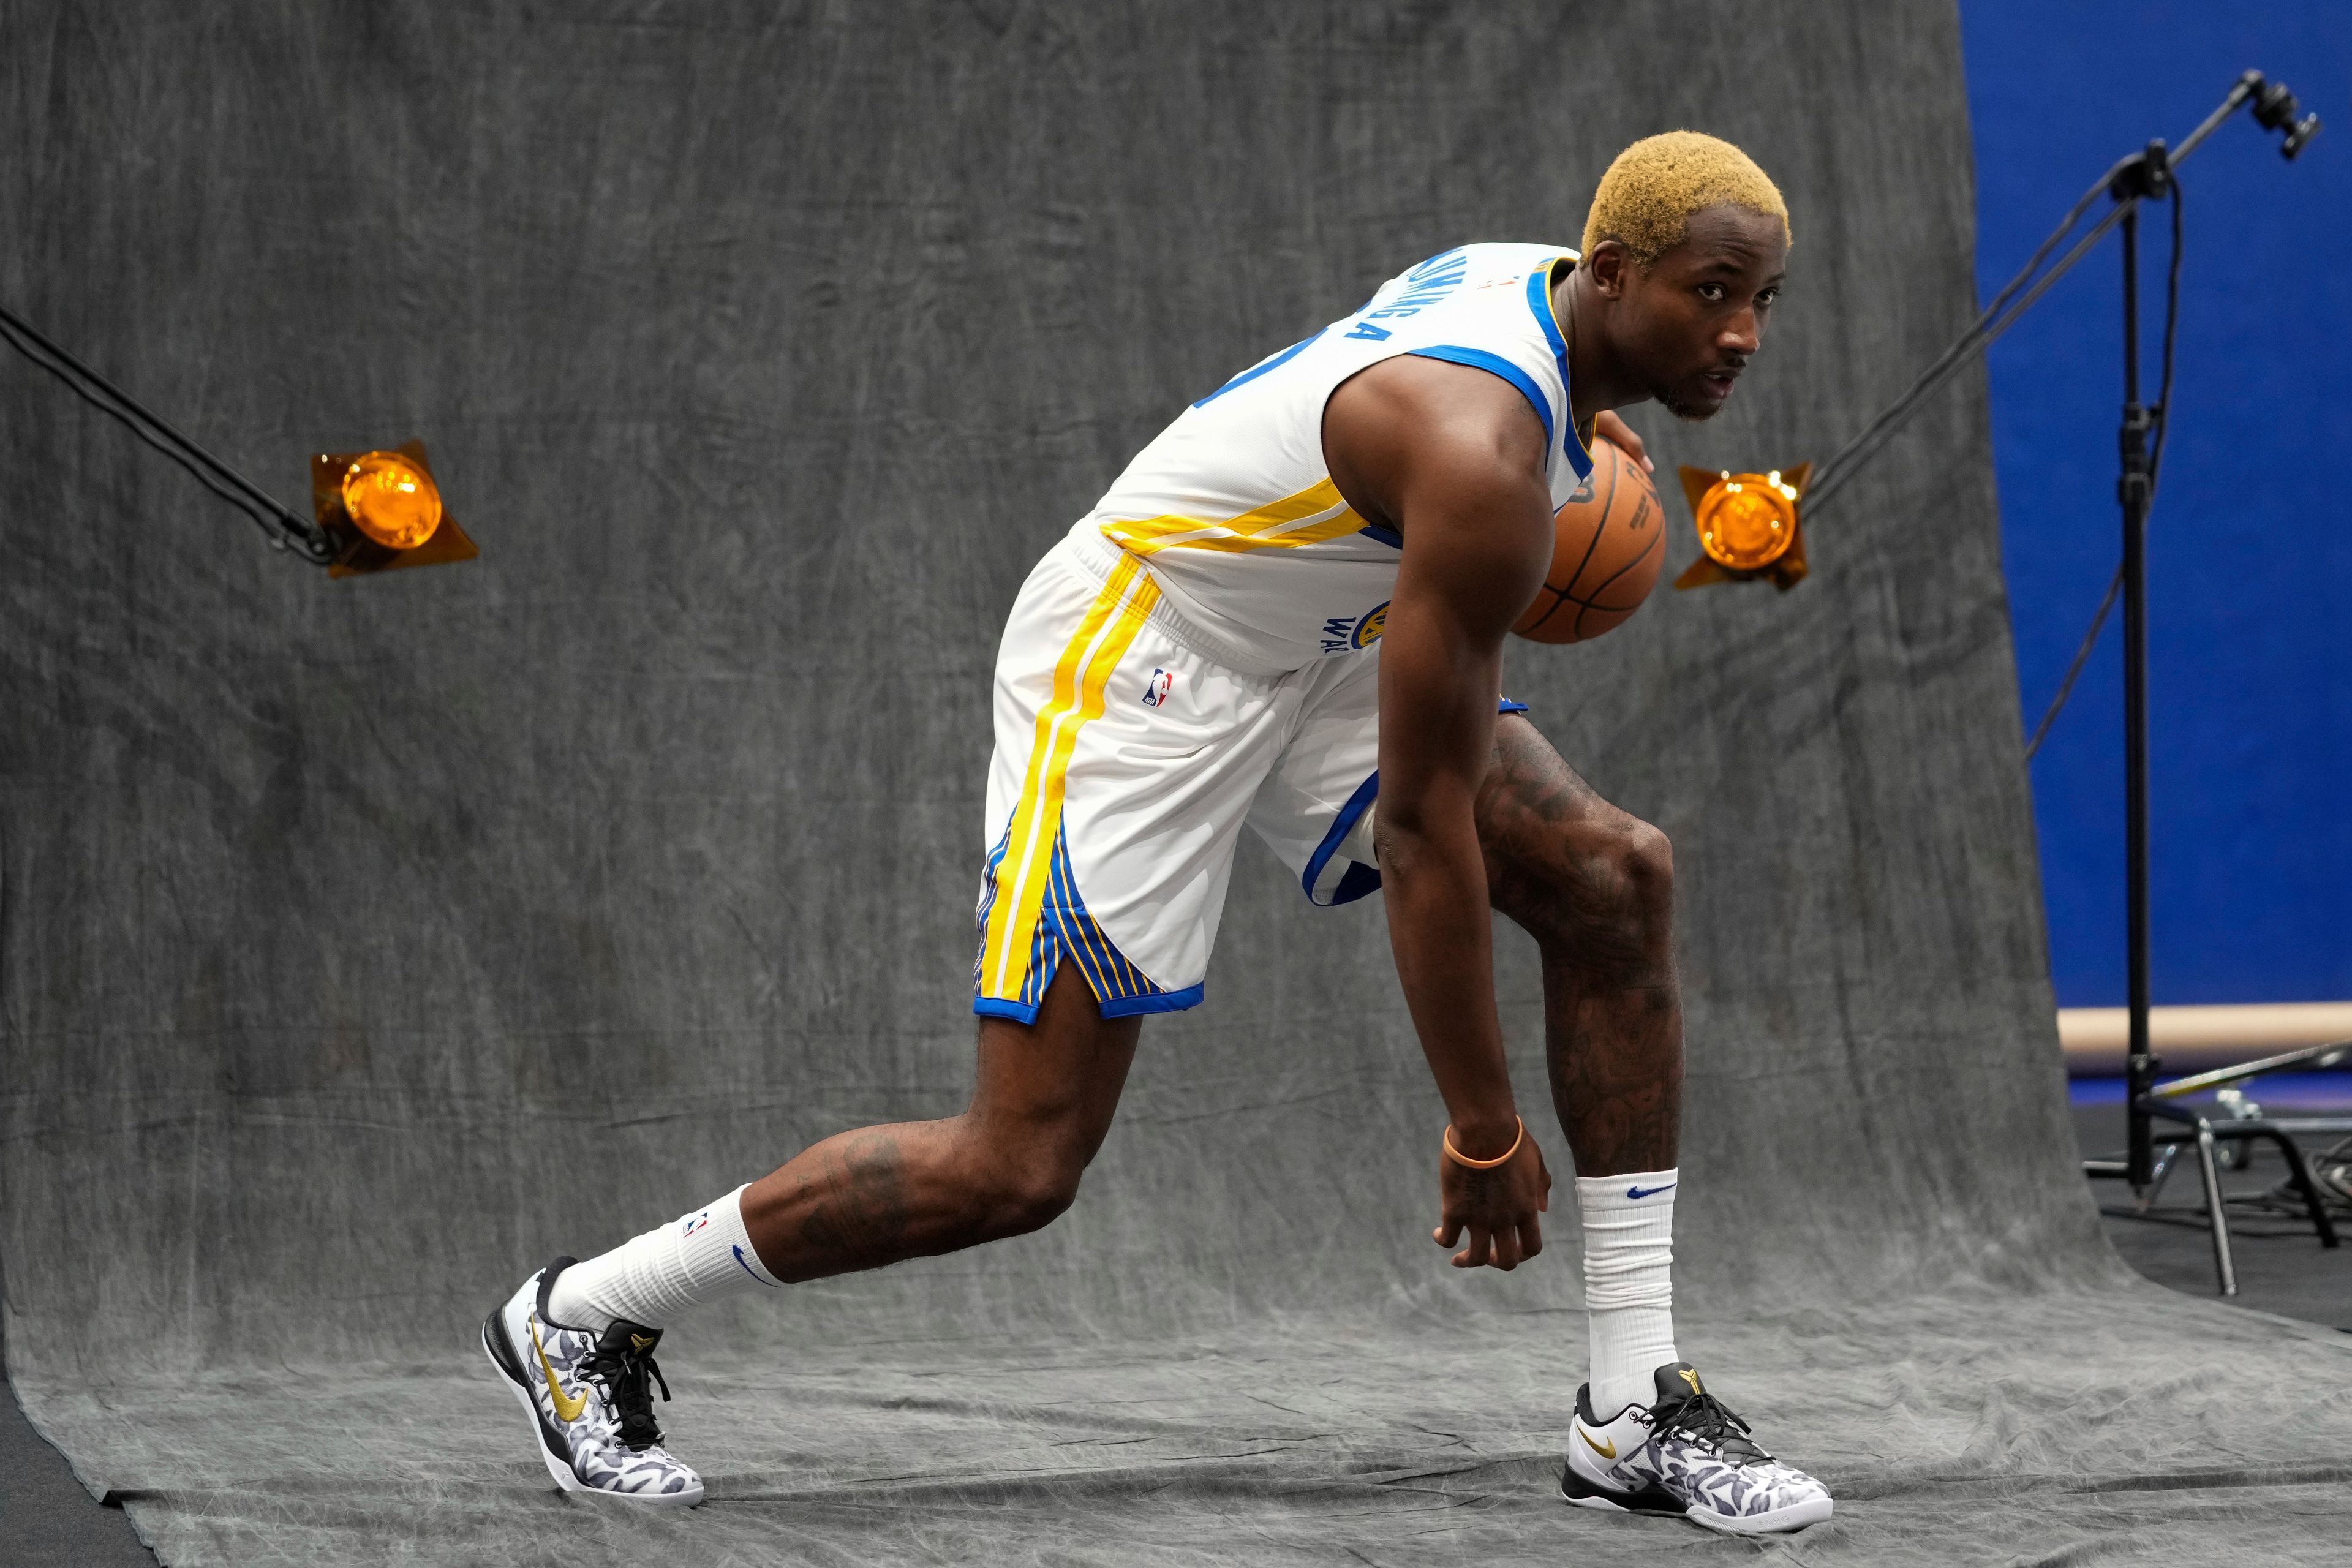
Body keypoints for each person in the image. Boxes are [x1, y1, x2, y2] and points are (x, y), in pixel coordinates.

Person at [483, 130, 1831, 1536]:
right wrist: (1485, 1129)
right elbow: (1429, 832)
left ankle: (1631, 1409)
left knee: (1615, 875)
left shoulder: (1531, 291)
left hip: (1310, 638)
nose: (1743, 333)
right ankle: (582, 1313)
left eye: (1765, 298)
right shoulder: (1481, 461)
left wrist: (1597, 416)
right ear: (1612, 274)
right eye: (1711, 293)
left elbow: (1411, 343)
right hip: (1140, 661)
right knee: (1018, 1162)